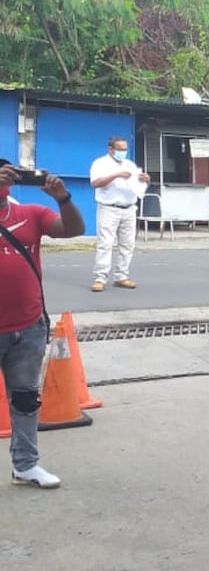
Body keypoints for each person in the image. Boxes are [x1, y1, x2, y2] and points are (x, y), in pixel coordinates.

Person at [0, 159, 85, 489]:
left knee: (24, 400)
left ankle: (25, 465)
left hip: (28, 327)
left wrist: (63, 199)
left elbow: (74, 229)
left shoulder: (31, 214)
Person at [89, 136, 150, 292]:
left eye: (125, 149)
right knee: (105, 243)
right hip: (109, 207)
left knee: (127, 244)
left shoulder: (130, 164)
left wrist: (146, 180)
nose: (123, 152)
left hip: (129, 207)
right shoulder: (100, 163)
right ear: (111, 149)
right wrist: (115, 175)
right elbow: (95, 183)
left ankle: (121, 276)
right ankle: (100, 278)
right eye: (120, 149)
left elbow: (138, 183)